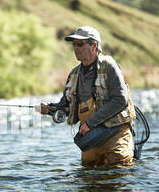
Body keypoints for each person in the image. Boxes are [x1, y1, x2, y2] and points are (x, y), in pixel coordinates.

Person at [37, 26, 135, 166]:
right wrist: (49, 109)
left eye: (80, 44)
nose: (76, 48)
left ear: (94, 45)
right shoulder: (74, 74)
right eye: (74, 44)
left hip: (116, 134)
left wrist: (89, 123)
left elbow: (120, 100)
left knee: (118, 170)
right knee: (88, 175)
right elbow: (66, 107)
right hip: (92, 137)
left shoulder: (109, 65)